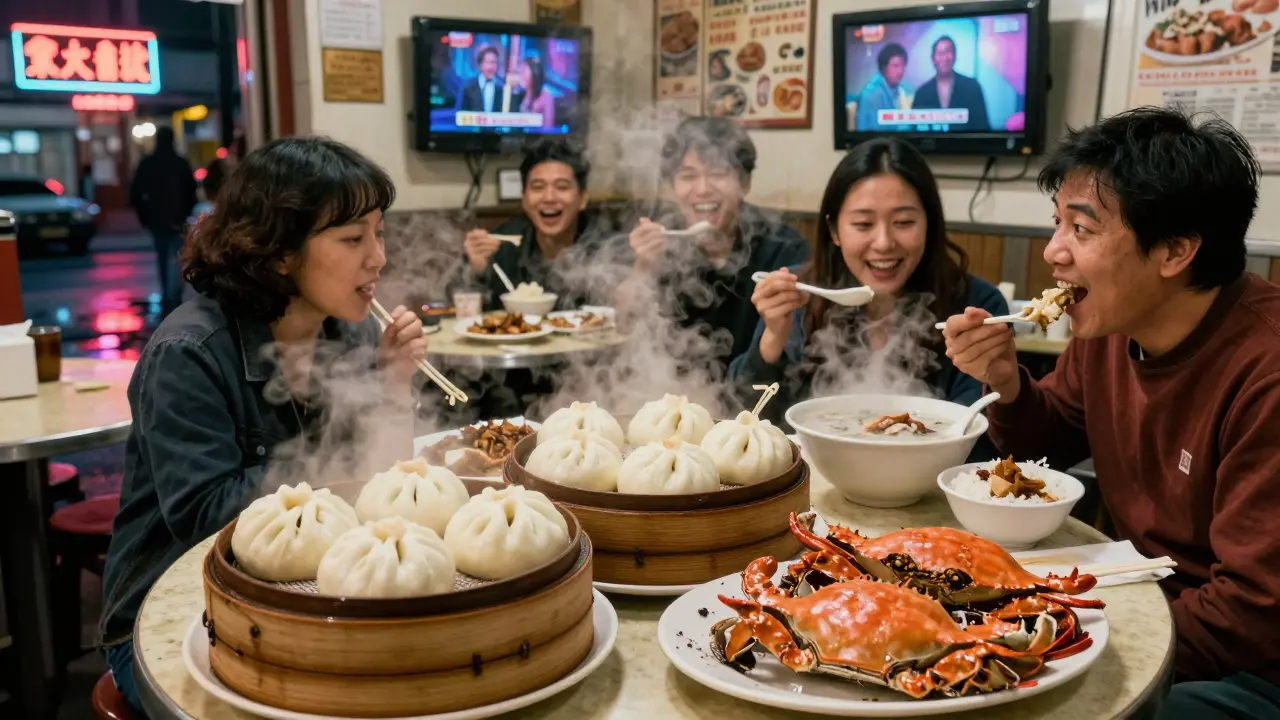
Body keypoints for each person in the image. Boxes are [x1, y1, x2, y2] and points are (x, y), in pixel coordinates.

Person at [942, 107, 1280, 718]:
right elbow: (1057, 435)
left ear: (1175, 250)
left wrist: (1068, 640)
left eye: (1083, 229)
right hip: (1143, 601)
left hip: (1249, 668)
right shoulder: (1109, 326)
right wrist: (1006, 384)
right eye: (1056, 224)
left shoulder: (1266, 372)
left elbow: (1256, 610)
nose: (1053, 253)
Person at [99, 137, 426, 712]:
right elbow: (205, 516)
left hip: (294, 596)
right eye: (354, 239)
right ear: (279, 253)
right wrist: (333, 474)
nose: (378, 257)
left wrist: (393, 388)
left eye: (379, 232)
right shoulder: (190, 351)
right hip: (169, 613)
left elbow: (379, 479)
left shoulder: (343, 330)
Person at [738, 138, 1007, 457]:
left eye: (904, 222)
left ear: (930, 225)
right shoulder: (800, 295)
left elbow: (981, 436)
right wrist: (772, 338)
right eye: (863, 224)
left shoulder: (977, 304)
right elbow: (748, 422)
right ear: (834, 230)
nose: (883, 243)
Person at [618, 116, 811, 396]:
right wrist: (642, 267)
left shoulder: (783, 247)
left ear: (744, 183)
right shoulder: (661, 241)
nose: (703, 188)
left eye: (718, 173)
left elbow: (786, 357)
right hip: (671, 403)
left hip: (758, 404)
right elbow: (624, 323)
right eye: (688, 176)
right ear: (672, 188)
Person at [454, 139, 601, 311]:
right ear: (524, 199)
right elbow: (469, 314)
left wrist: (640, 268)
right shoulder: (502, 247)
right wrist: (476, 271)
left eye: (562, 187)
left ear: (582, 199)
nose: (549, 198)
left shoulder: (605, 247)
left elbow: (626, 316)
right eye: (538, 187)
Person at [129, 125, 197, 316]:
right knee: (177, 257)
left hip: (156, 219)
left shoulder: (148, 163)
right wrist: (185, 213)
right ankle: (174, 294)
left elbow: (135, 193)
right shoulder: (180, 163)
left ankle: (168, 294)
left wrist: (144, 217)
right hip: (176, 218)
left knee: (162, 256)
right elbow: (191, 192)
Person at [912, 36, 990, 132]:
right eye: (940, 53)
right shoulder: (922, 93)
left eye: (948, 52)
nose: (945, 58)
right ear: (933, 59)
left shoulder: (972, 87)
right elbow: (914, 131)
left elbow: (983, 127)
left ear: (955, 56)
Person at [854, 43, 911, 131]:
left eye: (903, 66)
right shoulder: (872, 95)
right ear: (884, 67)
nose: (900, 71)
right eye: (895, 66)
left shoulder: (900, 90)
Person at [460, 46, 522, 113]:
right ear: (480, 64)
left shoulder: (503, 86)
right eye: (488, 62)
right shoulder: (468, 87)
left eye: (494, 62)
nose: (491, 67)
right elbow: (461, 113)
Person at [520, 55, 557, 129]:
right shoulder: (521, 94)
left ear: (535, 74)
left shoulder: (546, 98)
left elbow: (548, 128)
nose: (521, 75)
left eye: (524, 71)